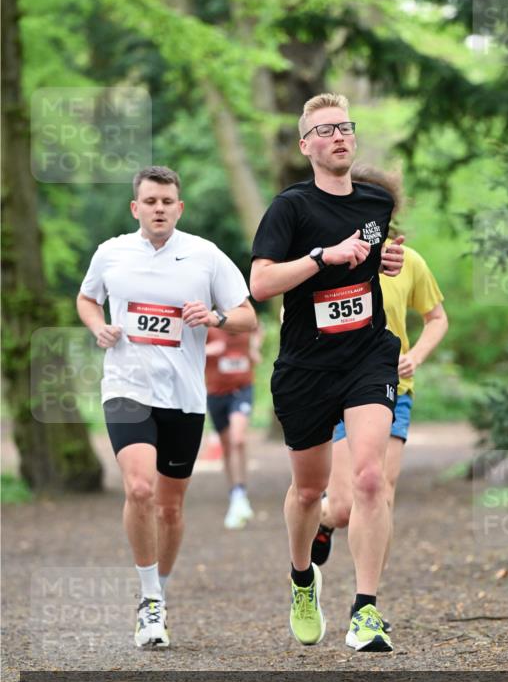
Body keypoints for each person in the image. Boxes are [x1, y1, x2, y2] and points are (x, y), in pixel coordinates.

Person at [77, 166, 256, 649]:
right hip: (126, 387)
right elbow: (87, 298)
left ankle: (162, 591)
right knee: (140, 489)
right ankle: (149, 599)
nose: (159, 208)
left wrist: (216, 316)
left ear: (180, 208)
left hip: (184, 398)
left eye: (167, 201)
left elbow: (248, 315)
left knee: (172, 509)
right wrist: (99, 327)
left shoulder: (205, 256)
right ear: (136, 208)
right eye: (150, 201)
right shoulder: (110, 253)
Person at [250, 93, 405, 653]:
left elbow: (376, 257)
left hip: (367, 355)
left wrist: (384, 259)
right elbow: (261, 284)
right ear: (306, 145)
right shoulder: (289, 208)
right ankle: (300, 578)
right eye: (326, 130)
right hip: (305, 367)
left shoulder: (376, 202)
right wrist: (321, 257)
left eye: (345, 127)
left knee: (368, 477)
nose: (339, 136)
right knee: (310, 489)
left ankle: (366, 610)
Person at [311, 165, 449, 625]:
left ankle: (367, 602)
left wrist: (418, 357)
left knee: (380, 492)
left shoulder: (408, 262)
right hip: (337, 386)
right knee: (348, 505)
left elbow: (437, 319)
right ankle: (325, 521)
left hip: (394, 388)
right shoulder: (334, 257)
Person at [205, 323, 263, 529]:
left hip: (242, 389)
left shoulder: (247, 325)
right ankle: (235, 493)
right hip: (216, 393)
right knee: (227, 447)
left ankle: (241, 492)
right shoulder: (209, 328)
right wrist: (209, 350)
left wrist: (254, 349)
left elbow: (258, 330)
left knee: (238, 438)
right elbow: (189, 354)